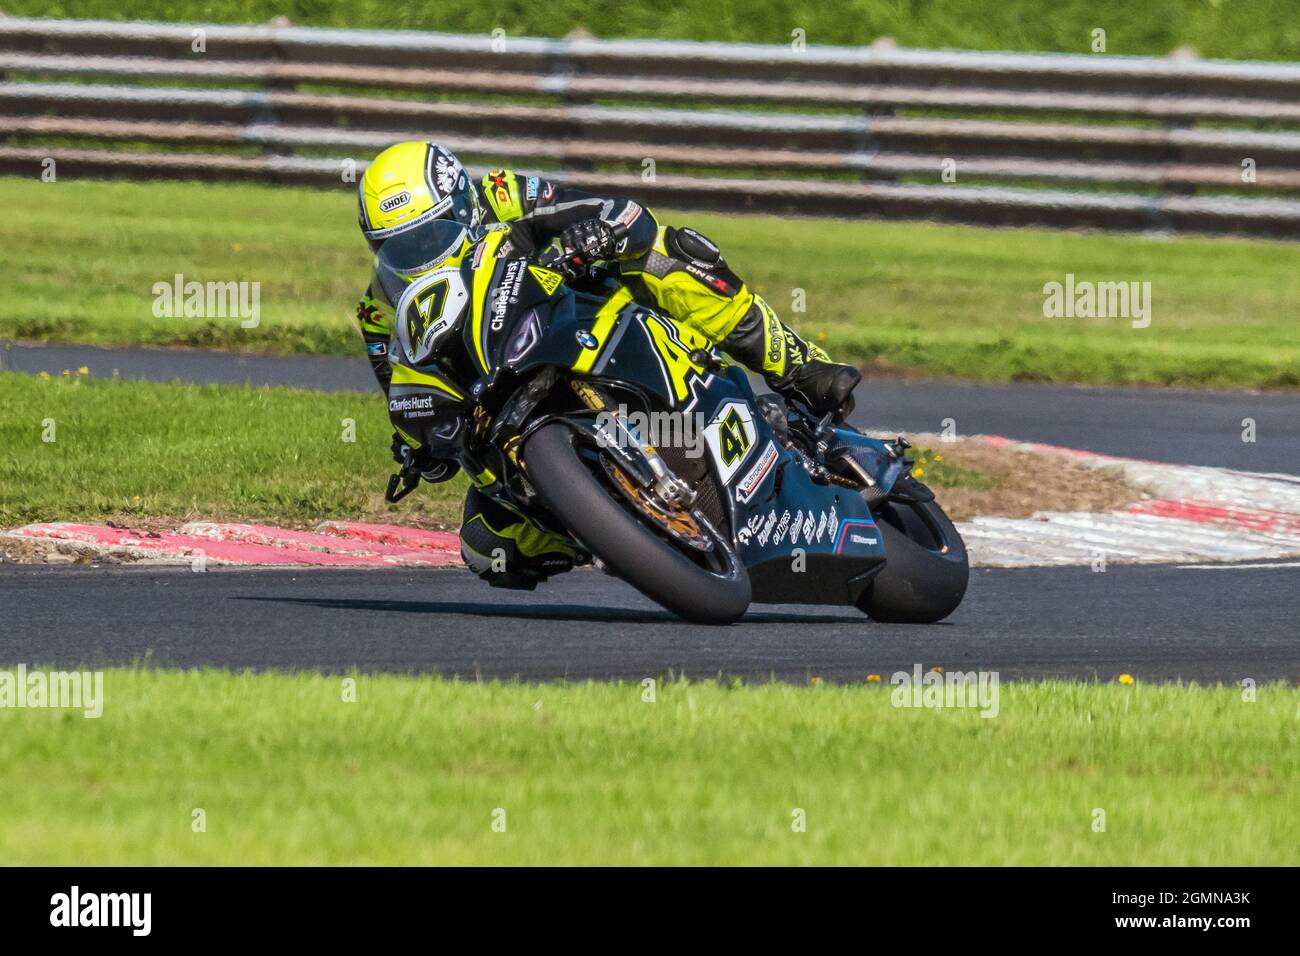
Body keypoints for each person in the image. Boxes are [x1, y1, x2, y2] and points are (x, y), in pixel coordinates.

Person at [354, 141, 861, 589]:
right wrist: (419, 444)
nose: (419, 256)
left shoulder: (503, 195)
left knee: (666, 251)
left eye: (430, 236)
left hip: (579, 311)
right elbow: (402, 390)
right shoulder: (379, 312)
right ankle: (610, 524)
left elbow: (616, 211)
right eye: (398, 248)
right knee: (489, 549)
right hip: (499, 396)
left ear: (462, 208)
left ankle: (800, 367)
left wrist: (593, 234)